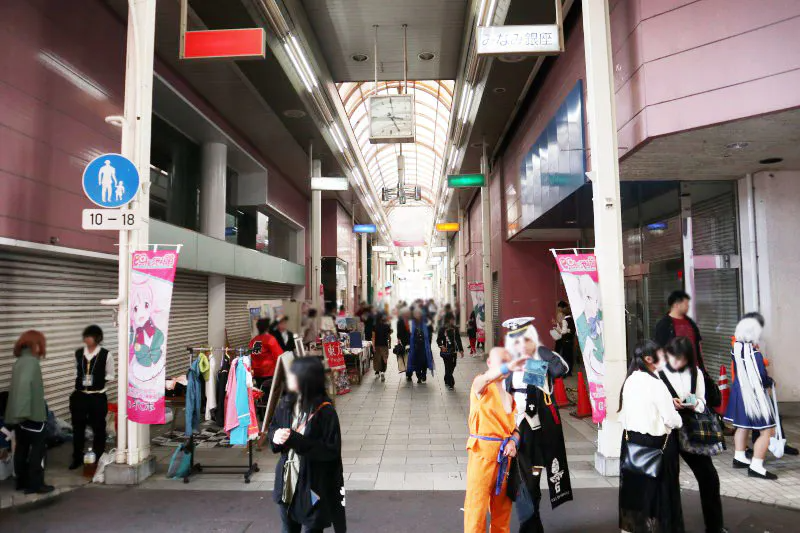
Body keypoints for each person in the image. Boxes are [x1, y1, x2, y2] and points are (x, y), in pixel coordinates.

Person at [504, 320, 573, 532]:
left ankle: (531, 525)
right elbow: (506, 393)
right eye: (515, 341)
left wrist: (540, 354)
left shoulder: (541, 355)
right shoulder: (510, 361)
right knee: (521, 479)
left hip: (537, 428)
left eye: (524, 339)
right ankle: (532, 526)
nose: (520, 344)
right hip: (516, 426)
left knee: (532, 478)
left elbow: (563, 368)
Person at [269, 357, 346, 533]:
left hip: (313, 486)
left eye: (293, 374)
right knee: (288, 528)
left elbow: (331, 451)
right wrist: (275, 436)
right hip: (287, 482)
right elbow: (273, 428)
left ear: (307, 378)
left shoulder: (325, 411)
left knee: (312, 528)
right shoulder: (285, 404)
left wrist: (296, 440)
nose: (289, 378)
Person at [660, 337, 726, 533]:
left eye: (681, 359)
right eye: (674, 358)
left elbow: (703, 402)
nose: (677, 362)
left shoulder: (696, 372)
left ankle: (715, 526)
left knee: (709, 477)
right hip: (667, 430)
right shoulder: (657, 373)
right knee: (669, 479)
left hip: (692, 429)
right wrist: (669, 403)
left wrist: (694, 404)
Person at [618, 340, 684, 533]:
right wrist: (678, 417)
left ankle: (631, 528)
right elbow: (671, 419)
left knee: (635, 492)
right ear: (648, 359)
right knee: (660, 494)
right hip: (656, 443)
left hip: (631, 442)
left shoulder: (630, 380)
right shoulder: (656, 384)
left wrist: (667, 402)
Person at [464, 348, 528, 533]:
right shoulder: (481, 386)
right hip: (481, 457)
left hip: (505, 461)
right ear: (489, 363)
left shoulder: (510, 398)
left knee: (503, 512)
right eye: (502, 361)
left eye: (508, 360)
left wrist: (513, 442)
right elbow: (485, 379)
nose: (506, 364)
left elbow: (515, 429)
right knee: (476, 509)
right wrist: (508, 366)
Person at [724, 316, 778, 480]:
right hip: (755, 396)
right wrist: (770, 382)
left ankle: (739, 457)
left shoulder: (736, 348)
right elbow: (762, 378)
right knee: (767, 431)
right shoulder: (755, 354)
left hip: (739, 393)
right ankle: (756, 466)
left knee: (742, 426)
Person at [741, 312, 799, 456]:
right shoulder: (743, 345)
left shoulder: (747, 343)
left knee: (771, 415)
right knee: (757, 419)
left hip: (755, 387)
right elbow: (753, 367)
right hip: (751, 388)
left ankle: (778, 442)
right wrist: (767, 380)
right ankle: (755, 449)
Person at [4, 331, 53, 494]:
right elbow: (24, 388)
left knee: (21, 449)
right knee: (38, 451)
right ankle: (35, 485)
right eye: (40, 343)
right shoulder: (31, 362)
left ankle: (21, 482)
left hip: (20, 417)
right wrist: (24, 413)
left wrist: (17, 416)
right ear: (35, 344)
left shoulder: (19, 362)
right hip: (31, 415)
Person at [69, 325, 114, 470]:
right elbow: (74, 371)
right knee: (78, 428)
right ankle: (77, 457)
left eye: (90, 336)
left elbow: (111, 375)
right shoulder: (78, 353)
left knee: (98, 428)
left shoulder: (106, 354)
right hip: (80, 395)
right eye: (86, 336)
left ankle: (98, 456)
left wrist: (99, 380)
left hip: (97, 396)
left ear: (98, 338)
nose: (87, 339)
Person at [654, 290, 707, 372]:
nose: (688, 307)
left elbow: (698, 345)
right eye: (686, 304)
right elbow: (659, 349)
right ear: (676, 305)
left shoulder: (690, 322)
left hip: (693, 368)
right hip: (674, 370)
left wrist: (702, 366)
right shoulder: (663, 324)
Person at [249, 318, 284, 390]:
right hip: (269, 372)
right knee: (269, 393)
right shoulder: (270, 339)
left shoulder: (254, 340)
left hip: (257, 373)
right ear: (267, 328)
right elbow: (279, 355)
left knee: (260, 391)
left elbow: (253, 356)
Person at [406, 308, 434, 383]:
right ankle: (419, 376)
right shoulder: (411, 323)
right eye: (416, 313)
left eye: (418, 313)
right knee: (417, 362)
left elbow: (430, 333)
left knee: (424, 361)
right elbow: (409, 335)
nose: (417, 315)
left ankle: (423, 375)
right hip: (415, 346)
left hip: (424, 346)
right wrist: (408, 345)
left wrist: (428, 342)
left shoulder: (426, 322)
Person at [437, 313, 464, 390]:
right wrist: (442, 346)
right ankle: (451, 383)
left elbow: (458, 339)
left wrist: (461, 350)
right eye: (451, 319)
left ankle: (446, 378)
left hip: (454, 351)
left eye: (453, 319)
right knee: (448, 366)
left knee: (453, 365)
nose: (453, 321)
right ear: (447, 320)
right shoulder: (442, 329)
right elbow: (438, 340)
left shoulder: (455, 328)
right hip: (446, 351)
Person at [552, 301, 576, 376]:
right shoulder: (570, 319)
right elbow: (569, 330)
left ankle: (567, 372)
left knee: (566, 357)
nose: (559, 310)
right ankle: (568, 372)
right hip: (568, 340)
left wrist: (558, 329)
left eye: (560, 309)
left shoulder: (566, 320)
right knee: (568, 357)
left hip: (566, 341)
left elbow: (564, 332)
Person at [372, 312, 392, 382]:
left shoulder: (374, 326)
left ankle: (377, 373)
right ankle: (383, 372)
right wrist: (390, 344)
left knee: (377, 359)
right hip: (384, 345)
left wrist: (373, 346)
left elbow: (373, 337)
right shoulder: (387, 326)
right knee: (384, 358)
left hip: (377, 345)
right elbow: (389, 336)